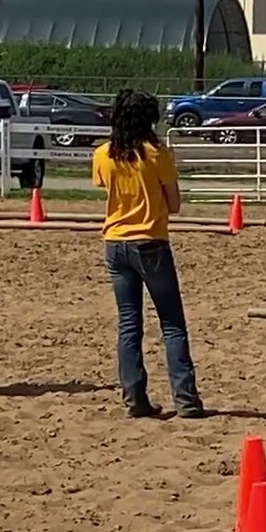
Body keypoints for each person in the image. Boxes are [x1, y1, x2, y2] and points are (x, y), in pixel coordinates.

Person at [92, 88, 207, 419]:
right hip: (151, 242)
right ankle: (185, 399)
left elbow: (104, 185)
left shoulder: (103, 154)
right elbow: (174, 204)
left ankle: (134, 398)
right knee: (172, 324)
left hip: (115, 242)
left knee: (129, 324)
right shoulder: (157, 154)